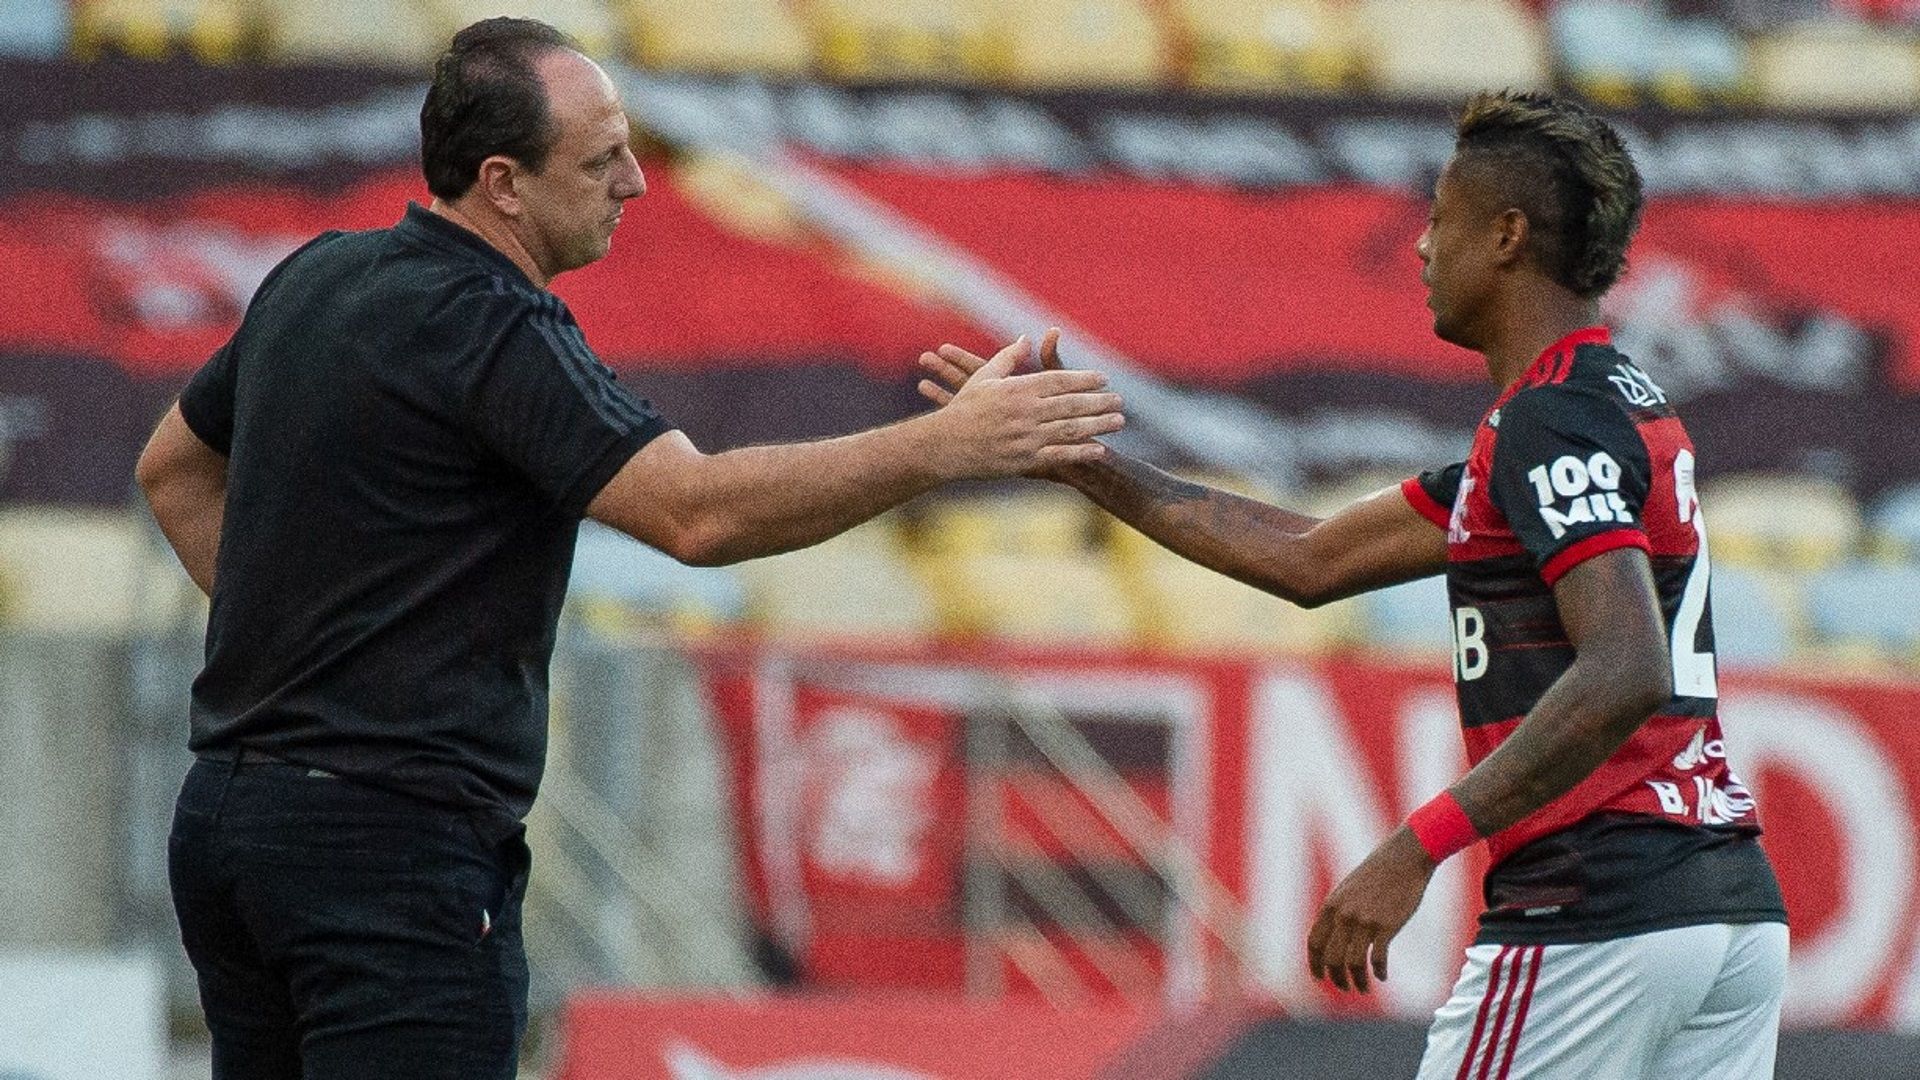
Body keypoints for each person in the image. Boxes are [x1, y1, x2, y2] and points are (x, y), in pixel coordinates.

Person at [133, 17, 1122, 1080]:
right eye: (602, 158)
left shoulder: (318, 276)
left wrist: (302, 648)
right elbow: (696, 514)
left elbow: (171, 469)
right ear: (504, 184)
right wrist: (944, 446)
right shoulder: (499, 327)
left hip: (233, 817)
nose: (637, 183)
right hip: (390, 847)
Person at [919, 90, 1787, 1079]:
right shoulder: (1598, 408)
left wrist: (1417, 845)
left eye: (1440, 218)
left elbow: (1626, 664)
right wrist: (1081, 460)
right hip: (1726, 910)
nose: (1420, 247)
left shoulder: (1552, 417)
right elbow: (1310, 558)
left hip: (1600, 912)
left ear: (1505, 237)